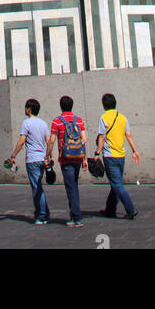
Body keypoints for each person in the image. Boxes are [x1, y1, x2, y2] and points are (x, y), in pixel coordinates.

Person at [95, 92, 141, 220]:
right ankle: (110, 209)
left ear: (104, 105)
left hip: (110, 156)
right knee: (115, 183)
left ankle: (130, 209)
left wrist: (97, 153)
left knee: (117, 184)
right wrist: (135, 151)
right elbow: (129, 135)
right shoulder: (123, 117)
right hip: (121, 155)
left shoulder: (103, 118)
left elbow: (102, 137)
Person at [6, 97, 51, 224]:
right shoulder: (43, 123)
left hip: (32, 160)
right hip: (42, 159)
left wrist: (13, 155)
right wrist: (49, 157)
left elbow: (21, 141)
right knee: (38, 187)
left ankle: (42, 216)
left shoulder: (26, 123)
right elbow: (49, 142)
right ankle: (42, 213)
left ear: (29, 109)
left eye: (26, 107)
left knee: (37, 188)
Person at [48, 95, 89, 227]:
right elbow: (84, 140)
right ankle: (74, 215)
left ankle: (77, 218)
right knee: (74, 185)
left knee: (71, 187)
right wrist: (85, 158)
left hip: (65, 158)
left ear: (61, 106)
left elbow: (52, 140)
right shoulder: (79, 120)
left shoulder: (57, 121)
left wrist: (47, 155)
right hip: (77, 156)